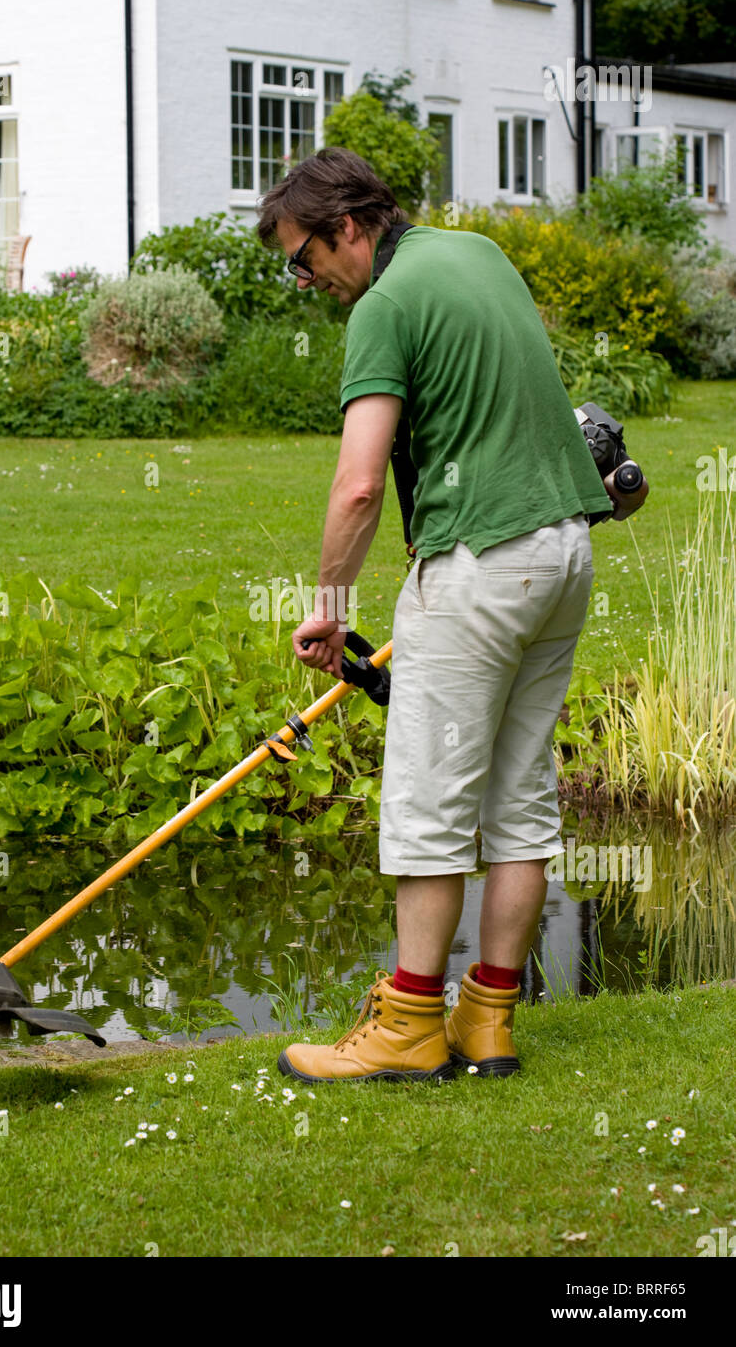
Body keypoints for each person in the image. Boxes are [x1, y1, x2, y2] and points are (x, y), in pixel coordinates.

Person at [256, 147, 648, 1085]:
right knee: (517, 798)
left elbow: (358, 487)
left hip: (478, 563)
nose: (304, 278)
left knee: (428, 803)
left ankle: (406, 1026)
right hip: (563, 554)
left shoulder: (383, 307)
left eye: (302, 257)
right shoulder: (478, 254)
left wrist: (328, 609)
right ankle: (489, 1021)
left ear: (346, 226)